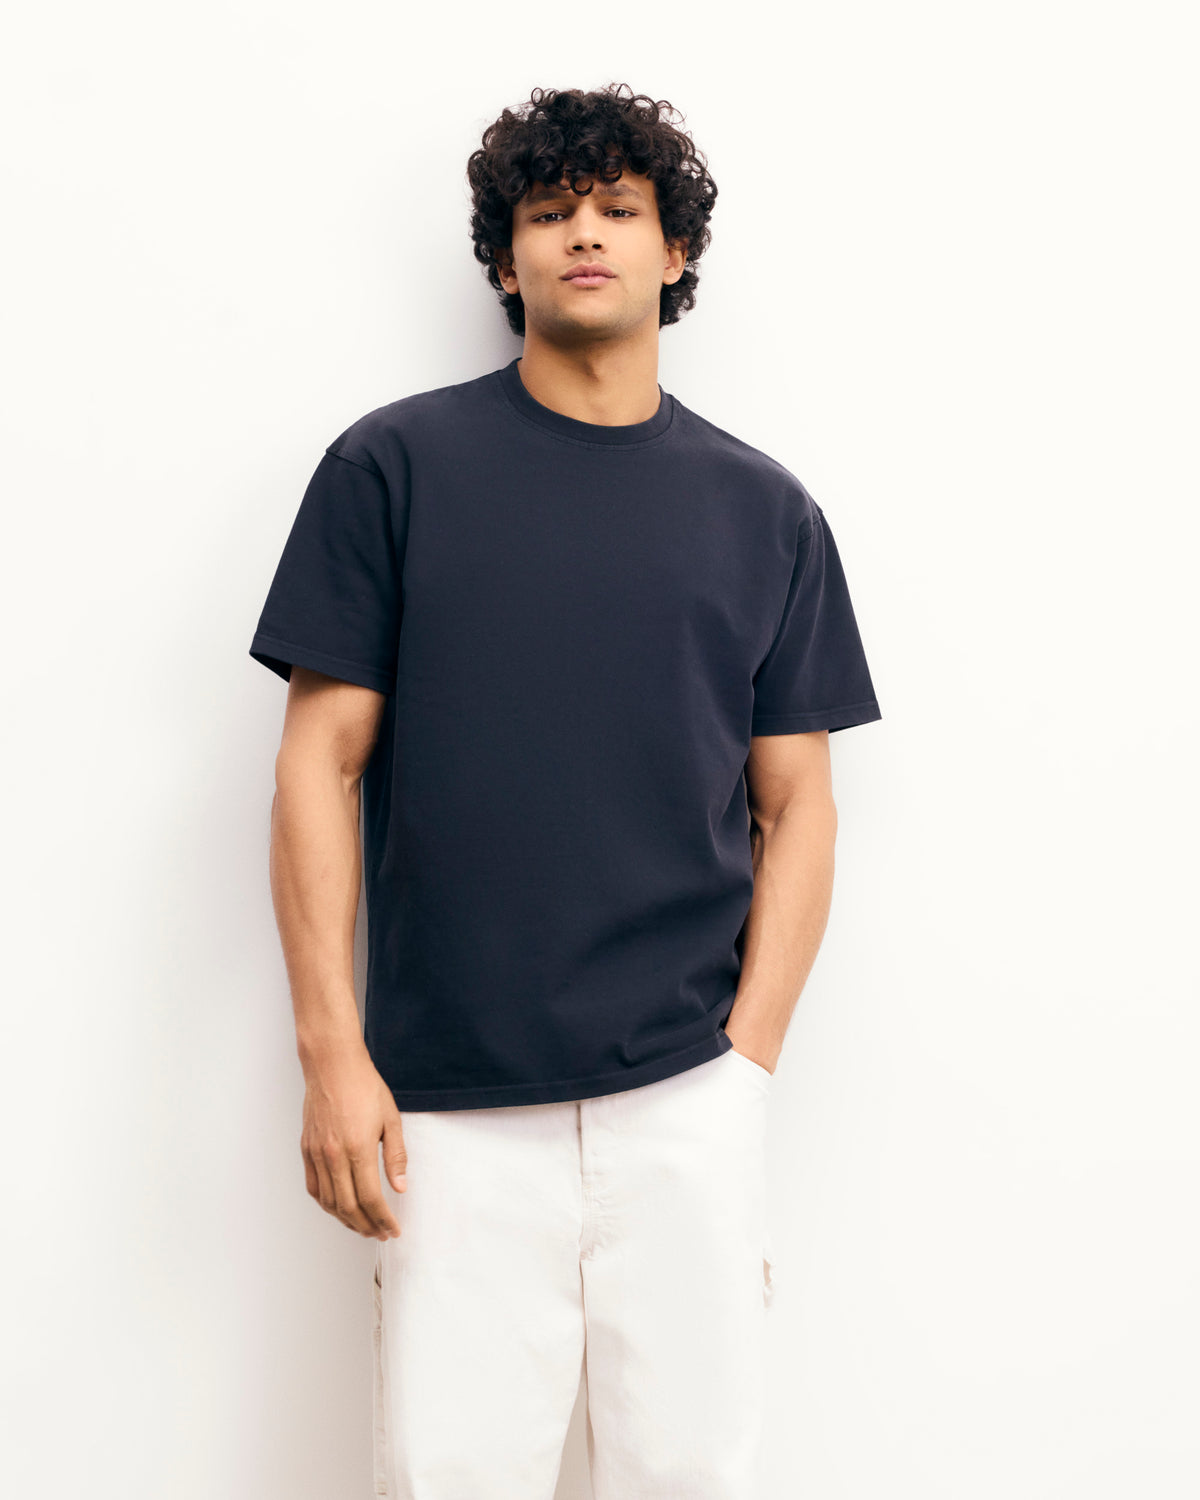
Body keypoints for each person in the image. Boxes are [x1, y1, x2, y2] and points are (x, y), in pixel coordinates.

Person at [249, 82, 882, 1500]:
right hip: (449, 1108)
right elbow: (316, 764)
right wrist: (332, 1054)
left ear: (674, 252)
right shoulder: (393, 469)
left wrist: (748, 1062)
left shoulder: (766, 512)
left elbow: (799, 803)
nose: (583, 234)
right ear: (505, 260)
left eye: (617, 209)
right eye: (549, 213)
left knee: (693, 1480)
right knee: (452, 1479)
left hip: (685, 1096)